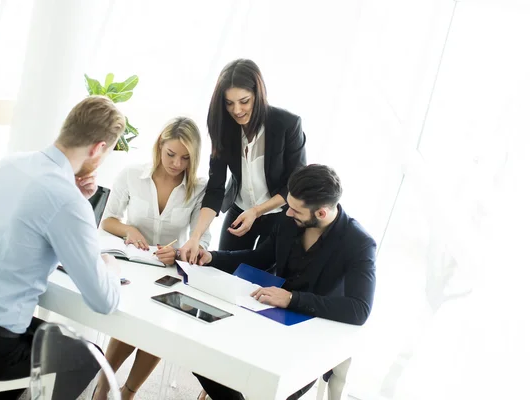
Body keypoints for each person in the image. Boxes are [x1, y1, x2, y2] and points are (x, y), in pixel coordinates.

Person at [0, 96, 124, 400]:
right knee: (87, 355)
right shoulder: (66, 198)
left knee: (46, 336)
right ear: (98, 148)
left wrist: (75, 197)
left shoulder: (9, 163)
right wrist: (110, 266)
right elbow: (104, 300)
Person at [193, 164, 377, 400]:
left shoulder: (359, 244)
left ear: (321, 213)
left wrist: (292, 299)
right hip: (269, 318)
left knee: (268, 390)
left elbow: (359, 309)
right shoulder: (288, 219)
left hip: (311, 336)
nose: (287, 213)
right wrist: (212, 257)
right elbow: (261, 257)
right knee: (201, 355)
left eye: (295, 210)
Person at [93, 117, 211, 400]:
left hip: (167, 269)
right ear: (159, 146)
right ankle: (102, 389)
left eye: (186, 158)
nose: (177, 164)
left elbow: (202, 240)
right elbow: (108, 221)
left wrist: (181, 252)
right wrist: (129, 230)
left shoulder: (198, 187)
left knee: (160, 328)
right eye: (171, 154)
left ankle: (128, 392)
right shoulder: (132, 174)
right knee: (131, 321)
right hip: (131, 265)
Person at [178, 59, 307, 263]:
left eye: (244, 101)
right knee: (220, 269)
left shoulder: (287, 124)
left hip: (278, 215)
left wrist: (256, 211)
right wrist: (195, 238)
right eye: (229, 103)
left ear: (258, 94)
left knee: (258, 283)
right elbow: (215, 189)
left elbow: (296, 186)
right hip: (239, 210)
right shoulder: (223, 127)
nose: (237, 110)